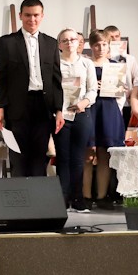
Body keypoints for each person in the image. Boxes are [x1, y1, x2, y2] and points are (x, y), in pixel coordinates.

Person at [0, 0, 64, 177]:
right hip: (17, 107)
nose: (32, 19)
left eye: (36, 15)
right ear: (20, 16)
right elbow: (1, 78)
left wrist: (59, 110)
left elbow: (56, 80)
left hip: (43, 107)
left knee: (39, 159)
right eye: (27, 15)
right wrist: (0, 108)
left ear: (42, 16)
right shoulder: (6, 42)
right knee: (18, 159)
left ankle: (37, 194)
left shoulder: (51, 43)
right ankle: (20, 194)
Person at [84, 29, 127, 209]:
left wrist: (119, 87)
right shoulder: (85, 64)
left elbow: (121, 91)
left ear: (109, 46)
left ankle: (102, 196)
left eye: (104, 44)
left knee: (105, 154)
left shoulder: (115, 66)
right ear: (91, 46)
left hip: (108, 110)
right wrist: (94, 85)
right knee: (88, 154)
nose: (101, 48)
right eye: (97, 45)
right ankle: (86, 196)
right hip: (90, 108)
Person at [54, 29, 97, 212]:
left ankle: (78, 199)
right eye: (65, 40)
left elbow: (93, 90)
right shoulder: (54, 63)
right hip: (61, 115)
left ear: (79, 42)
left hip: (82, 114)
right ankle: (62, 200)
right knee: (62, 158)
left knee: (78, 159)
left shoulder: (87, 63)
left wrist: (83, 103)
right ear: (59, 44)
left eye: (72, 39)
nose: (69, 43)